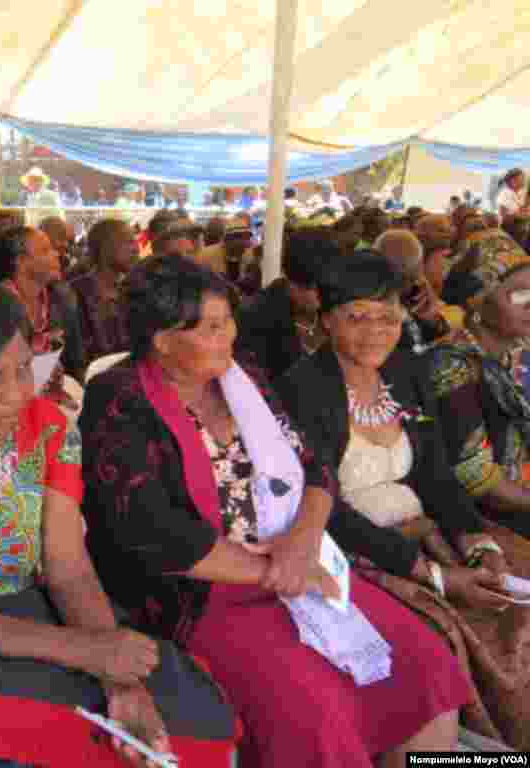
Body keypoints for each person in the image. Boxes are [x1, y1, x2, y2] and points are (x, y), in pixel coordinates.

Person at [79, 254, 468, 767]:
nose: (229, 337)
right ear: (162, 339)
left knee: (424, 662)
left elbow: (316, 470)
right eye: (212, 327)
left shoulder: (246, 381)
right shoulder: (119, 398)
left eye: (228, 322)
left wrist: (302, 545)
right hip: (200, 593)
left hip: (299, 564)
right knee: (314, 708)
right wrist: (275, 571)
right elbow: (154, 534)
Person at [0, 270, 237, 768]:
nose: (16, 393)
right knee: (39, 742)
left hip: (38, 613)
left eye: (23, 369)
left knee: (181, 718)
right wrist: (83, 651)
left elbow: (68, 567)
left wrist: (118, 679)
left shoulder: (48, 428)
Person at [277, 252, 530, 749]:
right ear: (325, 321)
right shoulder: (301, 391)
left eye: (389, 315)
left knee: (511, 586)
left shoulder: (404, 374)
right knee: (463, 639)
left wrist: (476, 541)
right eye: (357, 316)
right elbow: (328, 510)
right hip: (359, 556)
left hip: (426, 535)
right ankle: (475, 751)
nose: (376, 330)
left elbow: (435, 475)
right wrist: (433, 573)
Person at [429, 239, 530, 538]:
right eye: (519, 294)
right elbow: (477, 478)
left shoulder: (517, 350)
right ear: (476, 301)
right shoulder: (451, 366)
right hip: (490, 518)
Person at [0, 227, 86, 386]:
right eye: (45, 250)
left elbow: (75, 360)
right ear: (21, 260)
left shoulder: (62, 297)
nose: (56, 254)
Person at [235, 227, 337, 381]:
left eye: (327, 287)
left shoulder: (339, 306)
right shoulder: (255, 317)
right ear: (289, 279)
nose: (319, 296)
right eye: (309, 288)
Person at [69, 219, 136, 363]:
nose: (136, 249)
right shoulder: (75, 293)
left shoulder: (134, 290)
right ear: (107, 247)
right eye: (128, 242)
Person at [415, 213, 456, 298]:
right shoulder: (410, 258)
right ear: (422, 234)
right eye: (441, 230)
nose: (448, 235)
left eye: (449, 230)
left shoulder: (443, 256)